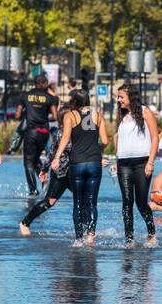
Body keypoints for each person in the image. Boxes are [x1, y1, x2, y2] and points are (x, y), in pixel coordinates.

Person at [53, 89, 109, 247]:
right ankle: (90, 237)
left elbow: (65, 138)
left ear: (74, 101)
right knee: (92, 203)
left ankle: (78, 239)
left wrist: (57, 157)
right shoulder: (97, 115)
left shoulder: (70, 115)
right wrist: (94, 147)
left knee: (78, 203)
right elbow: (105, 140)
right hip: (94, 163)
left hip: (76, 163)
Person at [113, 83, 160, 247]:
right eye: (118, 97)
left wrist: (151, 162)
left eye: (121, 97)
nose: (119, 100)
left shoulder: (145, 111)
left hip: (142, 163)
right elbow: (118, 137)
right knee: (127, 201)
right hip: (124, 164)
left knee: (141, 203)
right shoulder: (120, 114)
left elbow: (155, 137)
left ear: (130, 97)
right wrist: (116, 159)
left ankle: (151, 232)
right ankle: (129, 239)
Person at [19, 123, 73, 235]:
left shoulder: (80, 130)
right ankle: (25, 223)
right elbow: (52, 151)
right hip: (61, 172)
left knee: (83, 199)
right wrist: (44, 169)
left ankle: (88, 232)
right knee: (50, 201)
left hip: (76, 170)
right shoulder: (61, 132)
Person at [17, 74, 57, 195]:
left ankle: (33, 190)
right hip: (44, 133)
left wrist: (28, 115)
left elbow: (17, 115)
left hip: (31, 132)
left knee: (28, 161)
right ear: (45, 84)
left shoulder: (25, 96)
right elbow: (55, 117)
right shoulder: (51, 98)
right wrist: (44, 120)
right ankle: (44, 178)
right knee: (35, 159)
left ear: (35, 84)